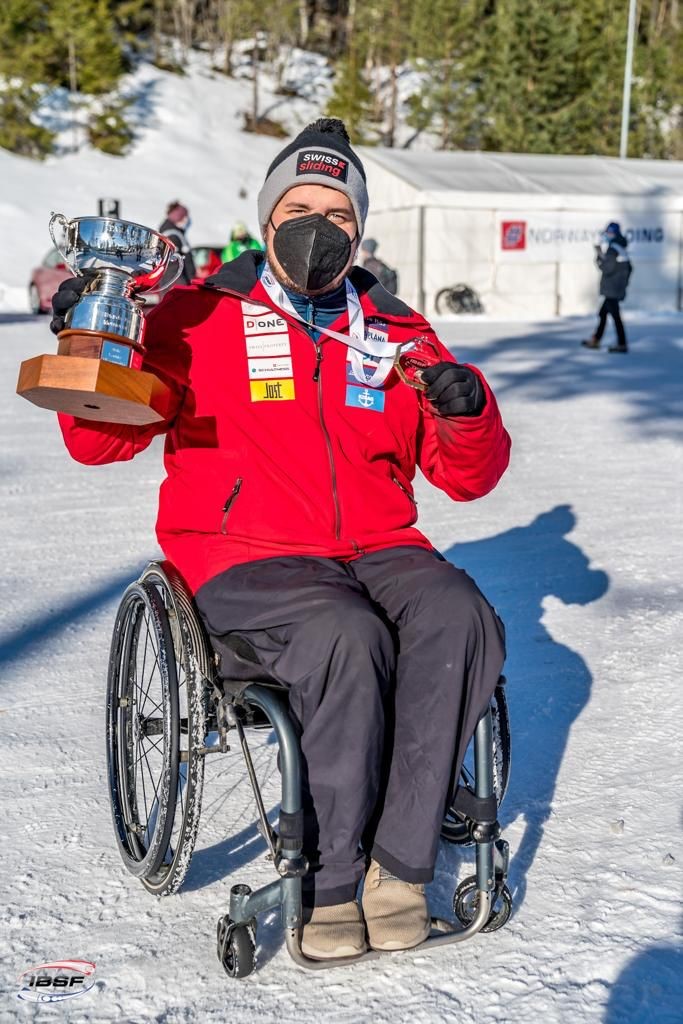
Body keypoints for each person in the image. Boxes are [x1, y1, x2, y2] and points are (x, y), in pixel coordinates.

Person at [51, 118, 510, 962]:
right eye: (299, 206)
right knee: (345, 635)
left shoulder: (396, 331)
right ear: (265, 219)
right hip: (245, 555)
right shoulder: (197, 316)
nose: (316, 228)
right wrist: (95, 340)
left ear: (359, 230)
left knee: (458, 615)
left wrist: (464, 407)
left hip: (377, 546)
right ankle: (332, 882)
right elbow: (98, 441)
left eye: (337, 216)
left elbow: (467, 476)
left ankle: (399, 869)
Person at [582, 222, 632, 353]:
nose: (607, 235)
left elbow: (607, 268)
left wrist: (598, 254)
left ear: (615, 234)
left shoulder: (613, 248)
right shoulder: (620, 247)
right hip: (615, 287)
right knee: (603, 313)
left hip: (612, 289)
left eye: (610, 233)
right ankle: (596, 339)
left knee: (614, 316)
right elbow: (626, 267)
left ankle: (621, 343)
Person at [159, 201, 196, 287]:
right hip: (176, 284)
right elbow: (173, 266)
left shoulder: (173, 233)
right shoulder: (172, 235)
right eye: (185, 217)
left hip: (173, 283)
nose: (187, 220)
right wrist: (182, 286)